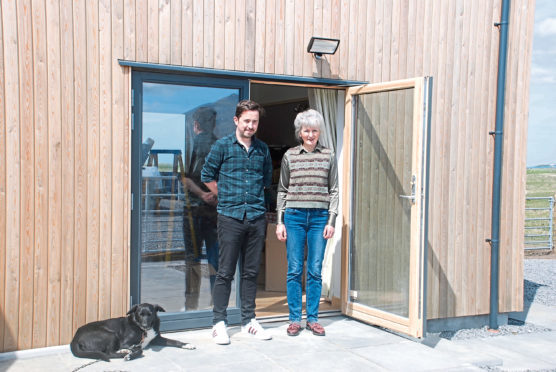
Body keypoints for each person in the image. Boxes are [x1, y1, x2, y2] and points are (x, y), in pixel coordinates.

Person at [201, 100, 273, 344]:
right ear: (236, 120)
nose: (250, 126)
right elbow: (206, 175)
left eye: (254, 122)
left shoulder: (262, 149)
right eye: (246, 121)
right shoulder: (222, 146)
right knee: (225, 272)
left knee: (251, 272)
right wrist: (227, 195)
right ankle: (218, 322)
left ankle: (248, 321)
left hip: (255, 216)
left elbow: (265, 181)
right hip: (230, 217)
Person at [275, 109, 338, 337]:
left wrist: (331, 220)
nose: (310, 135)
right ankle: (294, 320)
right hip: (294, 217)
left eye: (314, 130)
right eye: (306, 130)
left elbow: (334, 190)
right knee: (294, 269)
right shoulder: (290, 156)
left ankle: (312, 318)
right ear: (299, 132)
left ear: (319, 132)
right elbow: (282, 190)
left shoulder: (328, 155)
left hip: (320, 218)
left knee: (314, 269)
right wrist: (280, 221)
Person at [182, 107, 219, 311]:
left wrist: (201, 194)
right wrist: (215, 194)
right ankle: (218, 305)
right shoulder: (219, 145)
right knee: (216, 260)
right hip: (215, 211)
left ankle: (191, 306)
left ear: (196, 125)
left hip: (194, 211)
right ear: (213, 124)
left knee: (193, 259)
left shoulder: (193, 144)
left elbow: (186, 179)